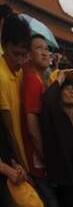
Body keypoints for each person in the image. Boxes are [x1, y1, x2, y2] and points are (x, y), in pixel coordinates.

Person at [22, 34, 59, 206]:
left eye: (47, 49)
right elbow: (32, 126)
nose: (45, 53)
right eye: (39, 48)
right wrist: (46, 156)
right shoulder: (32, 81)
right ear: (28, 55)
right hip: (38, 162)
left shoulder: (40, 79)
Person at [40, 73, 73, 207]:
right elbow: (47, 99)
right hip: (64, 182)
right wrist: (61, 78)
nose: (72, 91)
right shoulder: (54, 116)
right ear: (59, 94)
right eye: (67, 88)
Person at [0, 9, 30, 172]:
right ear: (4, 46)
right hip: (15, 162)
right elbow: (10, 131)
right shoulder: (1, 77)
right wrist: (23, 166)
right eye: (16, 54)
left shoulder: (19, 72)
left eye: (24, 55)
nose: (20, 61)